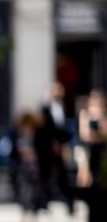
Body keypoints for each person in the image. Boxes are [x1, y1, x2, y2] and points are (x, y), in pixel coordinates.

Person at [40, 81, 74, 213]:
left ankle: (69, 203)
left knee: (64, 175)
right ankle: (44, 202)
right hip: (49, 147)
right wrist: (52, 143)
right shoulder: (45, 107)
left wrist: (65, 145)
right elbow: (44, 129)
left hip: (61, 145)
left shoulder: (63, 107)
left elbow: (65, 128)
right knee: (46, 175)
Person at [10, 112, 45, 222]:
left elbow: (43, 150)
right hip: (23, 169)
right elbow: (13, 152)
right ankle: (25, 221)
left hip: (35, 168)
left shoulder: (37, 135)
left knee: (36, 194)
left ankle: (35, 221)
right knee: (24, 195)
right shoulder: (18, 135)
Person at [78, 89, 107, 222]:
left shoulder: (103, 116)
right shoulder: (85, 115)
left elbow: (104, 134)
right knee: (90, 190)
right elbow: (85, 135)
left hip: (102, 156)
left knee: (102, 190)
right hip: (90, 155)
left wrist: (100, 118)